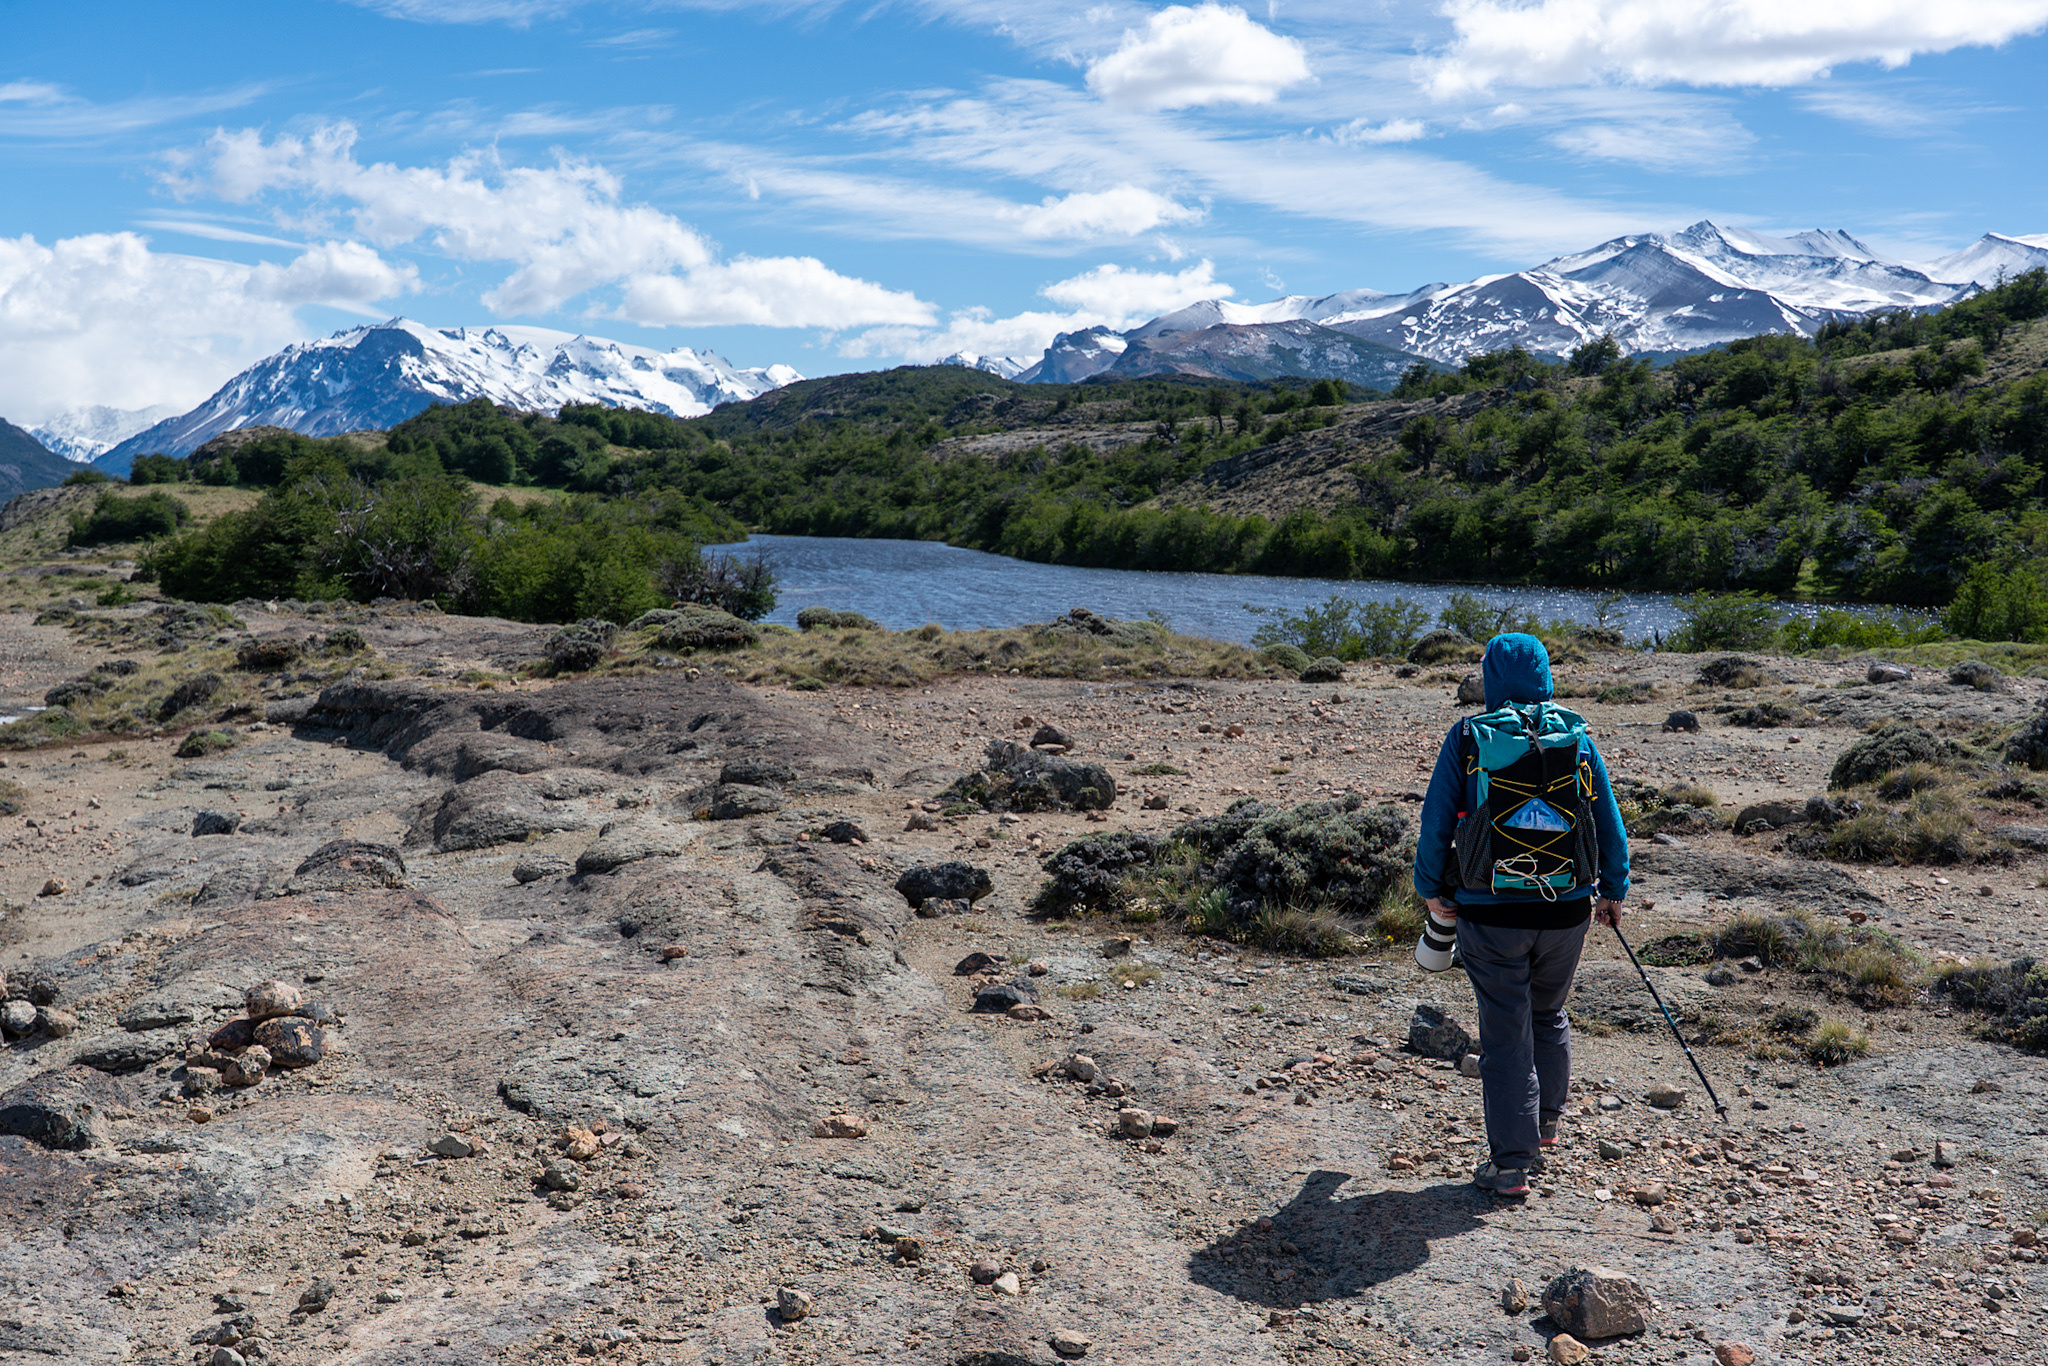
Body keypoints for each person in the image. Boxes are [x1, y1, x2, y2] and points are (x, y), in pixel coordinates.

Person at [1411, 633, 1630, 1197]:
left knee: (1506, 1034)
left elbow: (1437, 820)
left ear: (1491, 674)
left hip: (1491, 909)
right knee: (1549, 1012)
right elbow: (1607, 818)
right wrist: (1613, 889)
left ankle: (1511, 1165)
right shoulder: (1576, 734)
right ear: (1545, 673)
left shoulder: (1468, 736)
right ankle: (1546, 1123)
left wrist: (1430, 888)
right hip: (1568, 908)